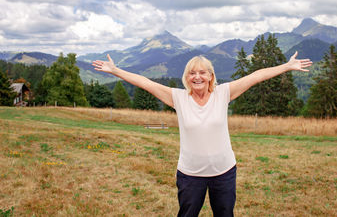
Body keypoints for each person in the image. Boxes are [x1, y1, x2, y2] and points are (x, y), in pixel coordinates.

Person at [92, 52, 312, 217]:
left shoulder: (223, 93)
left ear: (210, 76)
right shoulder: (177, 97)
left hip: (224, 172)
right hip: (190, 175)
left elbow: (256, 76)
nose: (197, 77)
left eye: (202, 72)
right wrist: (115, 70)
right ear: (187, 77)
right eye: (192, 73)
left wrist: (286, 66)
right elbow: (145, 82)